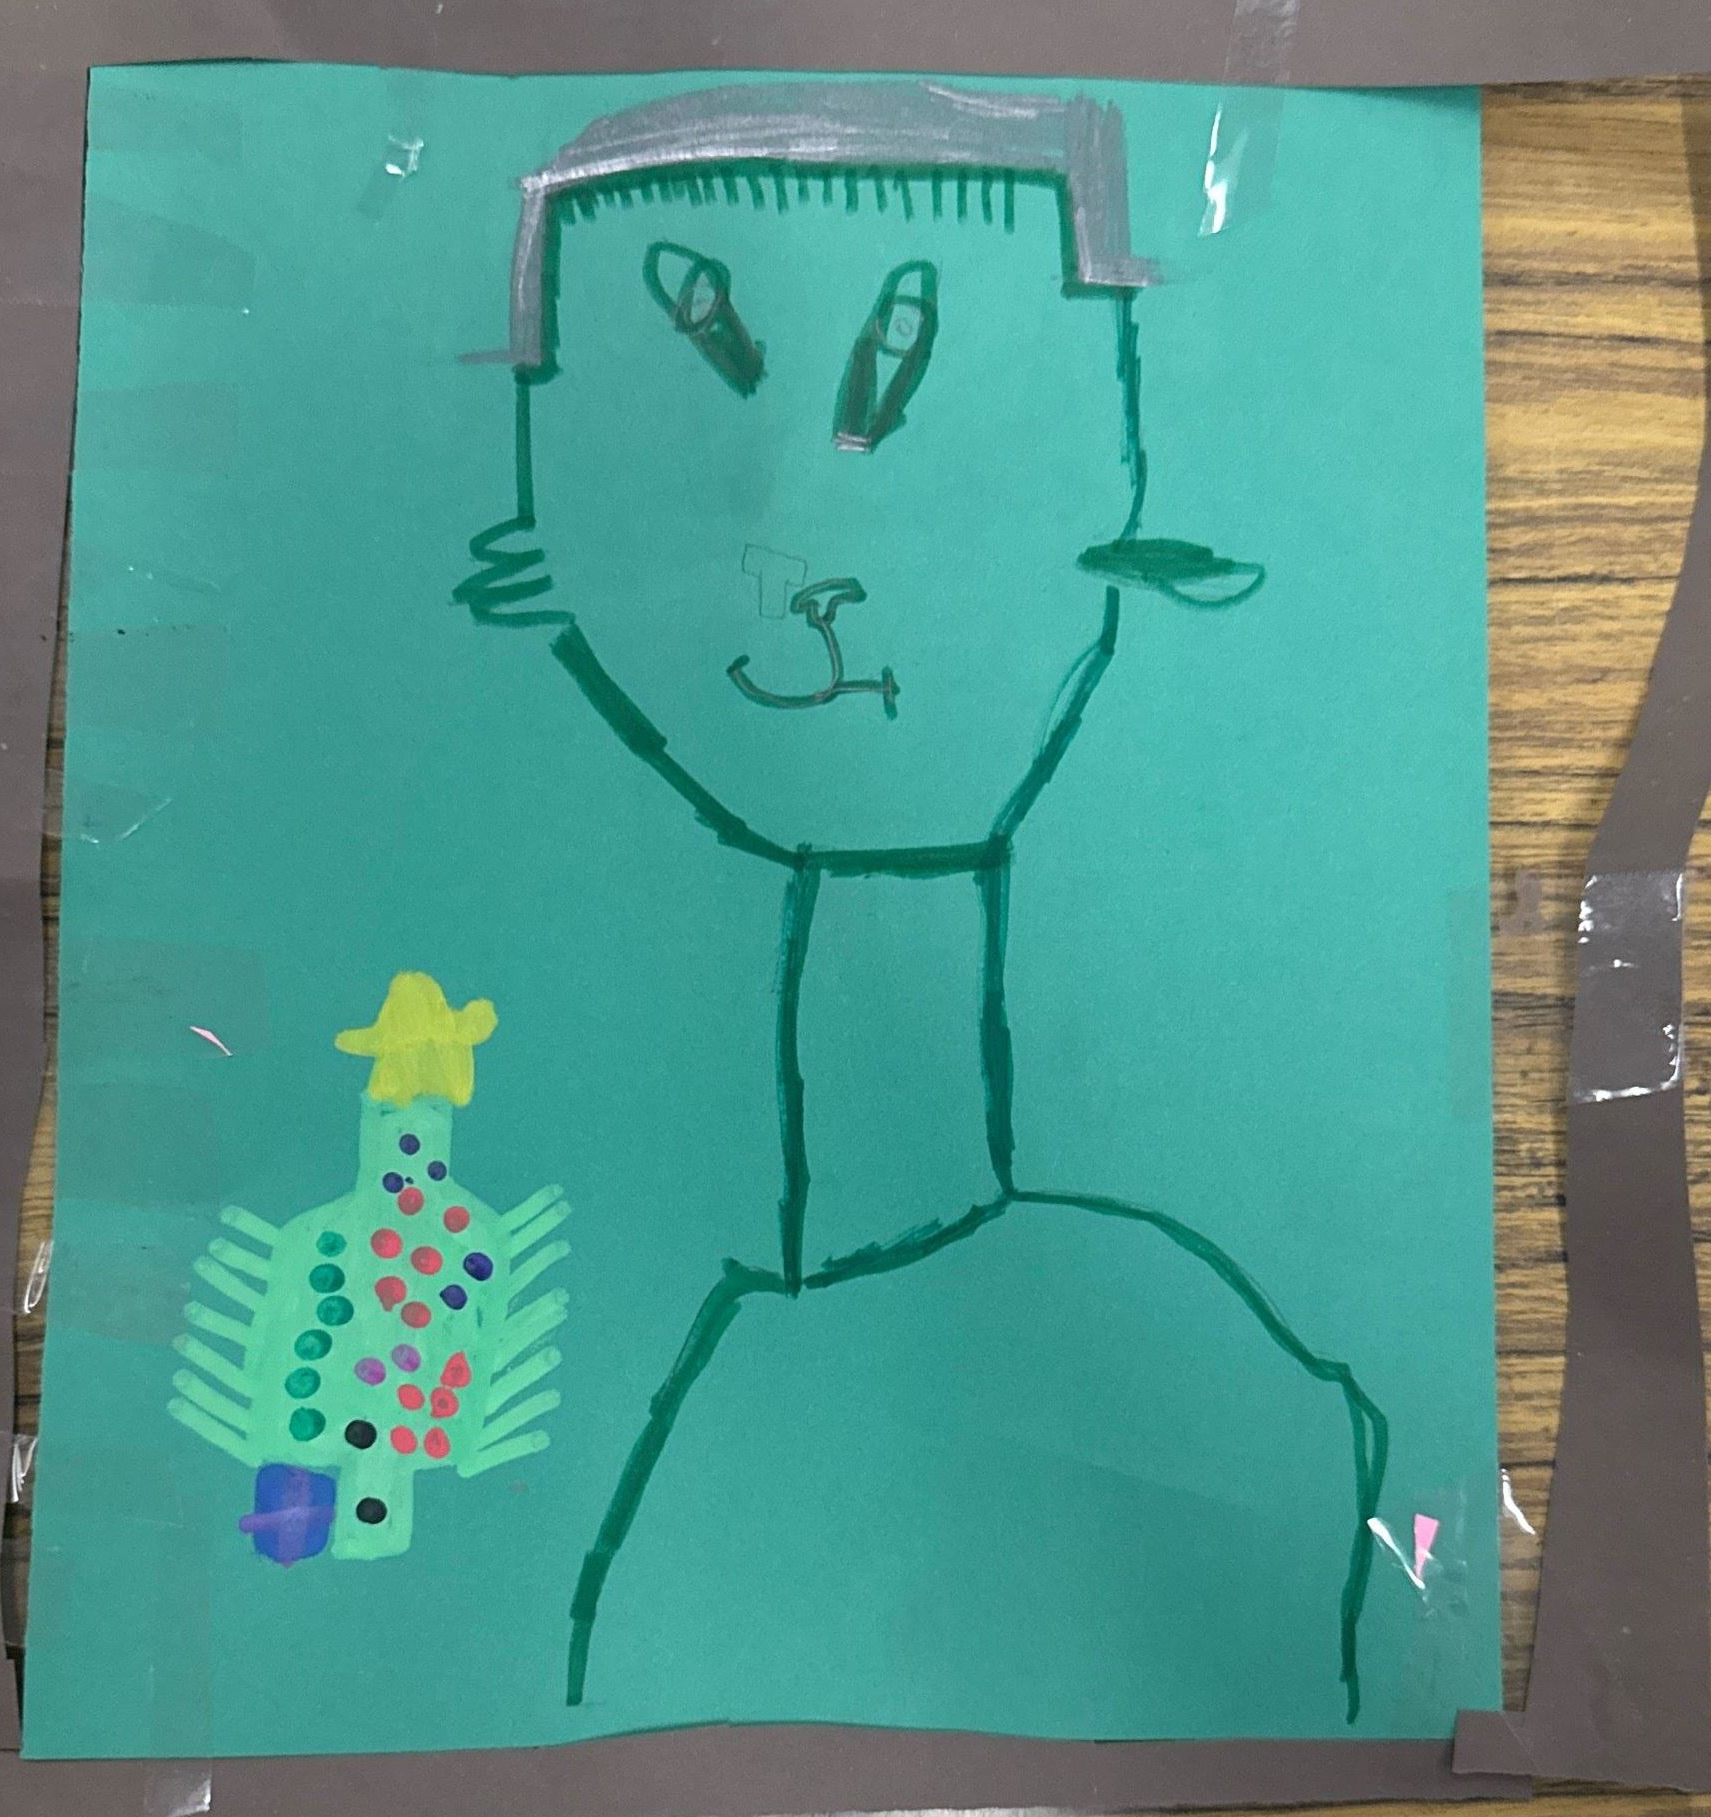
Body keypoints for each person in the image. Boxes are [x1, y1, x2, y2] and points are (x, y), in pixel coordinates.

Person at [455, 82, 1386, 1726]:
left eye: (898, 367)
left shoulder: (1220, 1401)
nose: (812, 553)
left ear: (1122, 542)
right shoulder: (736, 1387)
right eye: (702, 364)